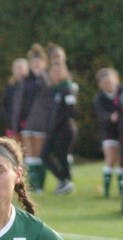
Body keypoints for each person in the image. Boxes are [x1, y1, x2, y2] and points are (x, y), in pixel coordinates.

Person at [12, 44, 49, 192]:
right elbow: (19, 103)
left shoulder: (46, 79)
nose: (36, 65)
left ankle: (40, 184)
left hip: (41, 123)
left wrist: (42, 77)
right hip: (26, 123)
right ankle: (33, 185)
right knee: (29, 155)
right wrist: (16, 125)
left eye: (39, 62)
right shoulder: (25, 81)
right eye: (33, 63)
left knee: (40, 154)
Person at [42, 58, 78, 195]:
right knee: (44, 155)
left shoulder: (67, 88)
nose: (56, 74)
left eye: (59, 71)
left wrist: (58, 123)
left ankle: (66, 182)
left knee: (61, 156)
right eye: (53, 72)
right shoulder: (53, 89)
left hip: (64, 129)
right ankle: (63, 180)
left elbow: (71, 111)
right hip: (53, 129)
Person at [93, 67, 123, 197]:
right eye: (105, 83)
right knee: (110, 159)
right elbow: (101, 115)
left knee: (121, 160)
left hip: (122, 131)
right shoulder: (99, 98)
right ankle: (106, 191)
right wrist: (110, 117)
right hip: (108, 132)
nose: (109, 85)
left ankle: (122, 189)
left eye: (110, 81)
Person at [1, 58, 29, 138]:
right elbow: (4, 105)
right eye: (17, 68)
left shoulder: (31, 86)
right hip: (11, 127)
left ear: (27, 69)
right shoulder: (10, 86)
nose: (19, 70)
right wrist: (7, 120)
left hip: (27, 128)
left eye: (21, 67)